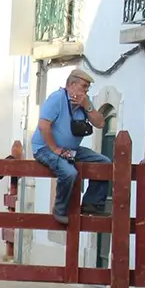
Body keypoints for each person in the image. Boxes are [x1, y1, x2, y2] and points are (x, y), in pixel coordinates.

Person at [31, 69, 108, 225]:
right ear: (72, 85)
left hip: (70, 149)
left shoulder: (84, 103)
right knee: (69, 173)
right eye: (84, 86)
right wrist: (55, 149)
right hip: (45, 147)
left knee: (104, 163)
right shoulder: (57, 99)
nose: (86, 90)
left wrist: (88, 106)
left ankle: (91, 203)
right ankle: (60, 209)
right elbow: (44, 126)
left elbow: (100, 123)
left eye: (88, 88)